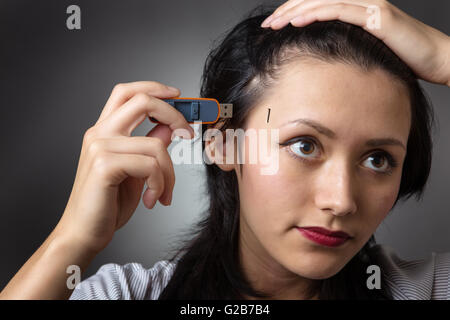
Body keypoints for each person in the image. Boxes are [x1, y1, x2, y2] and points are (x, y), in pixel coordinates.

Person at [1, 1, 449, 300]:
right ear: (220, 144)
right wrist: (73, 239)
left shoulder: (428, 290)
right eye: (304, 145)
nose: (341, 199)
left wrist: (443, 55)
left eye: (378, 160)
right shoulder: (129, 296)